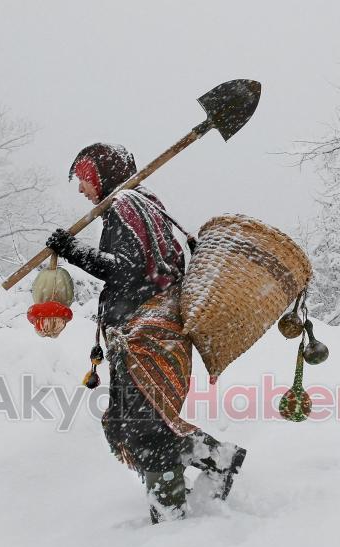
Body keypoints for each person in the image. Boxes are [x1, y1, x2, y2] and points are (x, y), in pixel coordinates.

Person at [46, 143, 246, 524]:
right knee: (140, 425)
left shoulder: (125, 206)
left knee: (146, 430)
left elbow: (127, 270)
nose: (81, 189)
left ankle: (171, 519)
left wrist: (73, 251)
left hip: (145, 335)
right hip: (147, 333)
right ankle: (218, 461)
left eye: (84, 179)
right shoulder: (143, 206)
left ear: (103, 175)